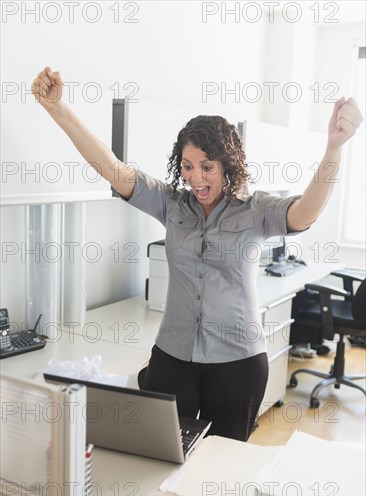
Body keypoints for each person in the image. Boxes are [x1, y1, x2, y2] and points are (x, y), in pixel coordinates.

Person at [32, 67, 363, 441]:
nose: (196, 178)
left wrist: (334, 148)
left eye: (207, 167)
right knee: (162, 455)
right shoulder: (171, 205)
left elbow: (306, 212)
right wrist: (59, 109)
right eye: (188, 167)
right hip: (173, 356)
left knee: (221, 463)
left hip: (238, 362)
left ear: (228, 164)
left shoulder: (256, 210)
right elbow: (112, 167)